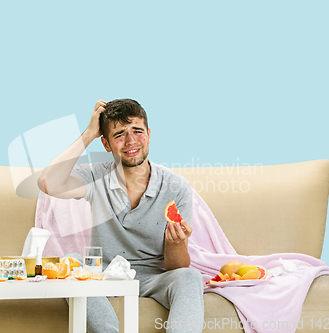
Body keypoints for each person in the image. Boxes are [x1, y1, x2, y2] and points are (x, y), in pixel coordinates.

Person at [37, 99, 204, 333]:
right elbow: (47, 183)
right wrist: (88, 134)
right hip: (102, 275)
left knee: (189, 276)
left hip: (153, 278)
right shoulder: (97, 176)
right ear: (105, 143)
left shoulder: (176, 188)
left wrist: (175, 244)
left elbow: (176, 267)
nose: (131, 141)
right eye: (119, 135)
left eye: (137, 131)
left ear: (149, 133)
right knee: (71, 261)